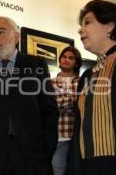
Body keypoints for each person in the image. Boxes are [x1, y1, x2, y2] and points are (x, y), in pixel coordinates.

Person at [0, 16, 59, 175]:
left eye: (1, 32)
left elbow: (50, 109)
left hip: (34, 154)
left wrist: (48, 148)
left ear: (16, 37)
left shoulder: (36, 64)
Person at [68, 0, 116, 175]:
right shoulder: (86, 76)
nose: (81, 29)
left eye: (87, 22)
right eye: (81, 25)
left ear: (110, 25)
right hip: (88, 165)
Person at [51, 46, 82, 175]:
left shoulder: (83, 82)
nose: (66, 60)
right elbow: (52, 107)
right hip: (59, 137)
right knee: (58, 171)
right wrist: (74, 101)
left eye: (71, 58)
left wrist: (62, 102)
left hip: (79, 136)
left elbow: (84, 106)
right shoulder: (49, 83)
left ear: (76, 63)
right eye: (64, 57)